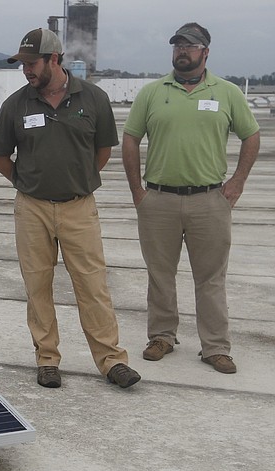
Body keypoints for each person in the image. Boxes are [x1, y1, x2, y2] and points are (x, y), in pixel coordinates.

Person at [0, 28, 140, 389]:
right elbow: (0, 159)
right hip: (32, 210)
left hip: (79, 207)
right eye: (22, 64)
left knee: (92, 285)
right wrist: (29, 185)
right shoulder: (15, 104)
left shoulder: (93, 98)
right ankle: (47, 359)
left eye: (31, 63)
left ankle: (111, 360)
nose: (26, 70)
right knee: (37, 285)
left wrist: (75, 181)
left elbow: (102, 152)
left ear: (53, 59)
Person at [122, 23, 260, 374]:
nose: (182, 50)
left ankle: (215, 346)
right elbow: (130, 140)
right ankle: (162, 337)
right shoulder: (152, 93)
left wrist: (237, 183)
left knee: (211, 277)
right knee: (160, 274)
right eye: (178, 45)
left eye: (191, 45)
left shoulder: (227, 93)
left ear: (206, 52)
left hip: (209, 201)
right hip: (159, 201)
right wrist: (138, 191)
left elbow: (251, 136)